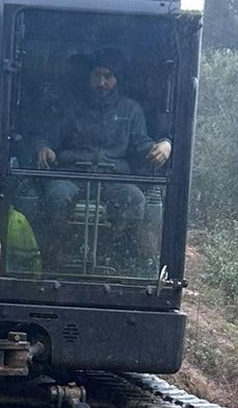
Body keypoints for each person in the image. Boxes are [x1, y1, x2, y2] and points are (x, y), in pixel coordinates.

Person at [29, 50, 170, 275]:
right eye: (97, 75)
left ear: (118, 79)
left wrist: (164, 145)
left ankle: (112, 254)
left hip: (113, 178)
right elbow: (46, 137)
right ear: (89, 77)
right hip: (72, 176)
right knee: (56, 196)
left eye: (108, 76)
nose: (102, 82)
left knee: (135, 200)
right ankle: (58, 257)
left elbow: (142, 144)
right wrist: (43, 148)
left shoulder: (131, 110)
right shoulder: (70, 107)